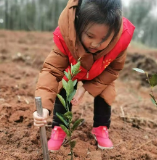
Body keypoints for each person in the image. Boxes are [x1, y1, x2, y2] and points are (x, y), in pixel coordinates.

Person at [33, 0, 135, 152]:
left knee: (106, 92)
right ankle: (59, 128)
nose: (95, 44)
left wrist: (86, 88)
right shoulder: (66, 37)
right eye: (90, 35)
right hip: (74, 69)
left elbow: (113, 70)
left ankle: (100, 127)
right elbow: (52, 70)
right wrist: (45, 108)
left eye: (103, 39)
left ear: (114, 34)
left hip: (101, 72)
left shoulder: (120, 40)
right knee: (64, 87)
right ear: (79, 24)